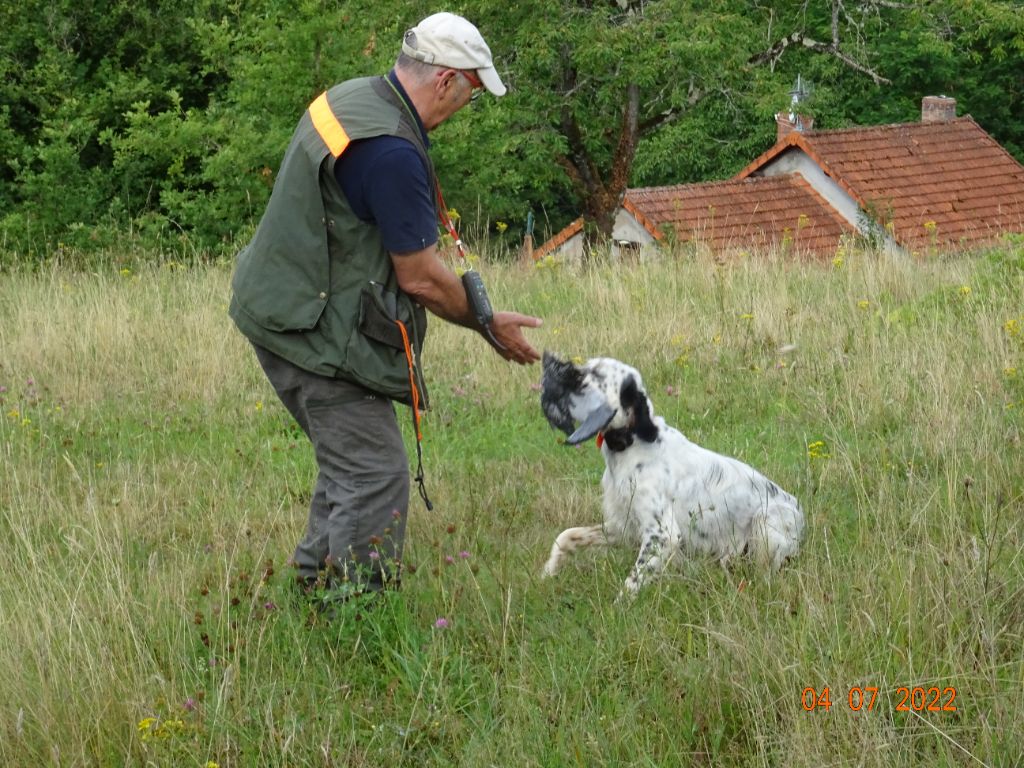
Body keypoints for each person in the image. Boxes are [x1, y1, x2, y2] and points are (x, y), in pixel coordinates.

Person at [228, 12, 542, 604]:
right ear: (447, 81)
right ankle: (355, 617)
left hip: (276, 305)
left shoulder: (352, 99)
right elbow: (420, 278)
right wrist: (486, 322)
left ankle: (309, 592)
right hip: (308, 332)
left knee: (350, 462)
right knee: (374, 473)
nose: (466, 107)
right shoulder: (392, 153)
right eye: (472, 93)